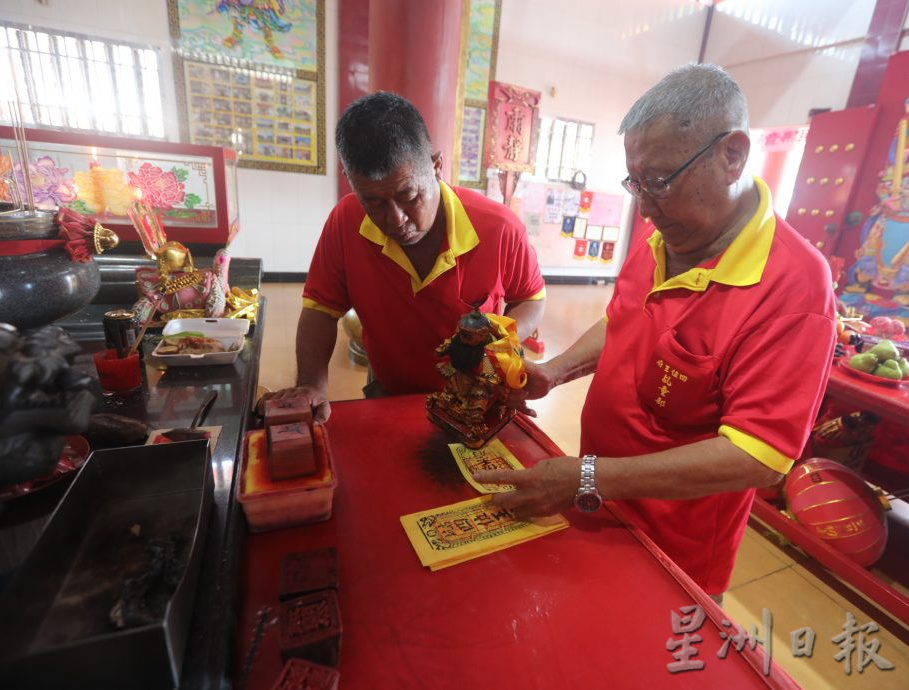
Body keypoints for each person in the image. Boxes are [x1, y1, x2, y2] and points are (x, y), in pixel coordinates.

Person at [475, 64, 837, 601]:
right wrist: (554, 372)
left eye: (660, 182)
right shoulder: (665, 229)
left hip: (675, 542)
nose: (644, 206)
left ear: (732, 154)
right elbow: (625, 322)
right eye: (635, 182)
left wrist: (589, 477)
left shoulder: (794, 288)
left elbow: (757, 456)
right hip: (599, 499)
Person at [261, 92, 546, 422]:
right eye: (375, 203)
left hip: (474, 395)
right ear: (352, 183)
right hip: (389, 391)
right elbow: (320, 311)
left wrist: (500, 337)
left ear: (436, 166)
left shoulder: (499, 227)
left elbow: (532, 300)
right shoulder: (346, 220)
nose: (395, 219)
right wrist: (311, 384)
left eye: (408, 196)